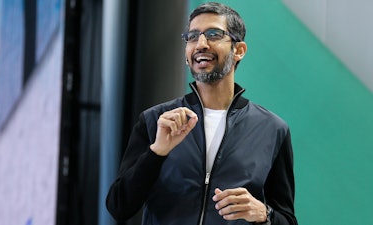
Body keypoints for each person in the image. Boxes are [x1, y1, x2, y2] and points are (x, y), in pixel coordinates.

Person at [106, 2, 298, 225]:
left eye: (214, 34)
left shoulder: (272, 130)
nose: (201, 44)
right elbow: (119, 207)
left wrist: (264, 214)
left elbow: (287, 220)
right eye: (192, 36)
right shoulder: (155, 121)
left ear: (239, 50)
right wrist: (157, 152)